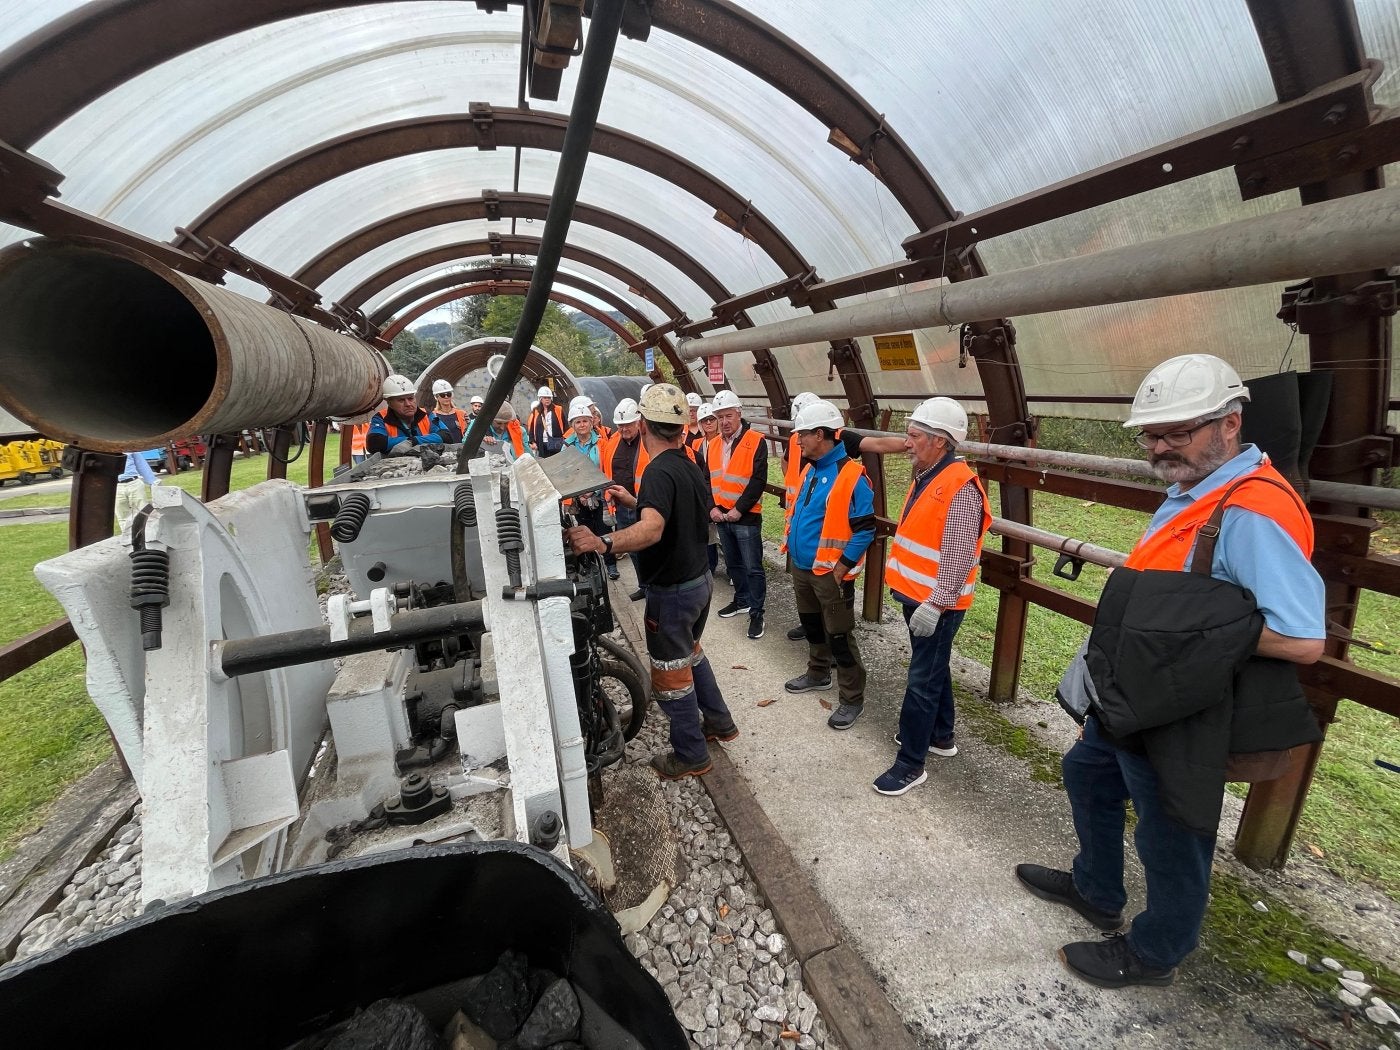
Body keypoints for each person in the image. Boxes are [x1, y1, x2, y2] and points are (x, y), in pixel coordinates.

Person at [1016, 354, 1325, 989]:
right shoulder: (1198, 491)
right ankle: (1097, 889)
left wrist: (1189, 638)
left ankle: (1156, 952)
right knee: (1088, 772)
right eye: (1151, 436)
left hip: (1184, 703)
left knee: (1172, 829)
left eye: (1176, 433)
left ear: (1230, 424)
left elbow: (1300, 639)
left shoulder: (1252, 512)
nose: (1159, 448)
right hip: (1138, 692)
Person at [565, 383, 737, 779]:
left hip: (673, 591)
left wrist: (602, 541)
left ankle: (691, 755)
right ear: (681, 427)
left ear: (642, 425)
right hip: (699, 583)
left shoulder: (659, 471)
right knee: (691, 654)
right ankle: (719, 722)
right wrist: (635, 501)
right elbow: (670, 510)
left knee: (670, 672)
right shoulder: (686, 463)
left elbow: (654, 529)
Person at [876, 397, 990, 794]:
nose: (906, 444)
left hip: (935, 606)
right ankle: (941, 736)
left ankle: (911, 763)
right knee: (934, 667)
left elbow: (959, 557)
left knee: (921, 680)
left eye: (913, 436)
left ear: (939, 442)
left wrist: (937, 603)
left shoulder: (959, 488)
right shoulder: (928, 474)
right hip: (918, 598)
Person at [780, 400, 877, 731]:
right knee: (811, 626)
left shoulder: (851, 476)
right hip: (804, 569)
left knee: (839, 637)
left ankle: (852, 699)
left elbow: (866, 529)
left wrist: (842, 568)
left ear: (820, 434)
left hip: (830, 575)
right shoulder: (811, 469)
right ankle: (818, 673)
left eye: (803, 435)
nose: (799, 441)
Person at [706, 389, 768, 640]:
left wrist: (738, 510)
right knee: (733, 564)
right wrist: (711, 506)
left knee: (753, 567)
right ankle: (741, 600)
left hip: (746, 517)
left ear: (739, 414)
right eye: (719, 417)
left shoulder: (756, 440)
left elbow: (758, 480)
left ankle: (757, 612)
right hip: (721, 515)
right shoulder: (712, 445)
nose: (724, 422)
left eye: (728, 415)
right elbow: (706, 478)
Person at [562, 396, 617, 580]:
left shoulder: (602, 442)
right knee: (583, 531)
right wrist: (581, 493)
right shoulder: (567, 445)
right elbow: (565, 471)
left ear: (592, 422)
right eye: (578, 422)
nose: (582, 425)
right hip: (578, 497)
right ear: (572, 424)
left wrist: (593, 491)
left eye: (585, 420)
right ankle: (589, 565)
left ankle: (610, 565)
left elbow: (606, 467)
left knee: (604, 531)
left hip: (600, 495)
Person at [366, 374, 449, 455]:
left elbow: (446, 436)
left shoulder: (426, 415)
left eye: (410, 398)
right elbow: (374, 443)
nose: (408, 404)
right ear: (389, 402)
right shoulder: (381, 418)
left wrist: (413, 441)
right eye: (401, 400)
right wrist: (415, 441)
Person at [115, 448, 159, 531]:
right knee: (123, 516)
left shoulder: (129, 446)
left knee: (143, 511)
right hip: (116, 486)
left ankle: (147, 535)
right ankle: (127, 538)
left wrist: (153, 482)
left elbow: (141, 464)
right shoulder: (102, 449)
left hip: (134, 483)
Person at [528, 386, 567, 458]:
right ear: (540, 399)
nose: (547, 400)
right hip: (541, 443)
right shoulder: (536, 411)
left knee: (557, 460)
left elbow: (566, 426)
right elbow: (532, 428)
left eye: (549, 398)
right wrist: (532, 441)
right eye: (545, 398)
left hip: (556, 442)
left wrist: (565, 439)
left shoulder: (558, 409)